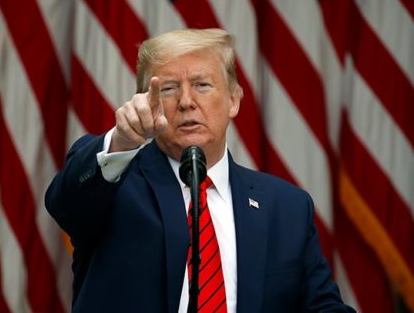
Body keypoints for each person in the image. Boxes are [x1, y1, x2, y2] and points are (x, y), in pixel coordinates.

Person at [45, 28, 355, 312]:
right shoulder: (112, 178)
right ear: (145, 103)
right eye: (168, 89)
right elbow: (65, 204)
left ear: (233, 100)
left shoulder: (286, 207)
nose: (186, 101)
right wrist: (121, 141)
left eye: (202, 85)